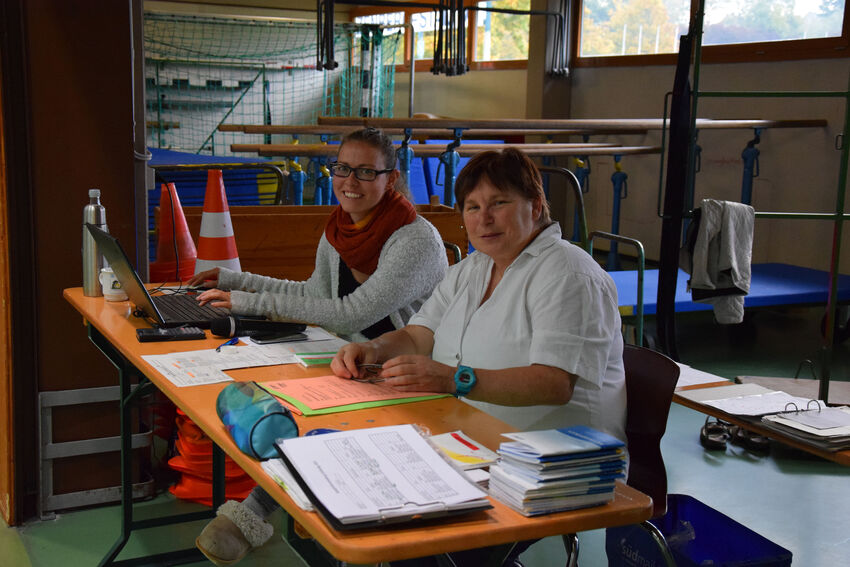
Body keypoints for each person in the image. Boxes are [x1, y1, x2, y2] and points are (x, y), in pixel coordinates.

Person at [331, 148, 626, 566]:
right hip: (472, 442)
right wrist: (373, 348)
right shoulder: (474, 268)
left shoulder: (568, 274)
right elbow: (419, 334)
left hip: (551, 464)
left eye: (498, 203)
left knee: (410, 535)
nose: (483, 218)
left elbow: (555, 383)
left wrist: (453, 378)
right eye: (472, 207)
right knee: (358, 489)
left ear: (535, 206)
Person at [191, 127, 449, 566]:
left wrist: (248, 302)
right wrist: (238, 281)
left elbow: (350, 314)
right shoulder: (340, 230)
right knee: (281, 399)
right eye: (343, 168)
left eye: (366, 172)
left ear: (391, 178)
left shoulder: (415, 240)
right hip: (354, 359)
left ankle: (258, 514)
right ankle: (284, 514)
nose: (350, 181)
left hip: (410, 371)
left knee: (310, 418)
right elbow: (314, 295)